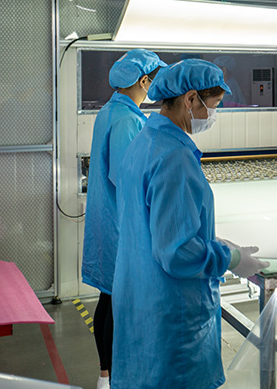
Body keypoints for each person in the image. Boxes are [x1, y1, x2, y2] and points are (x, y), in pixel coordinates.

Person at [110, 59, 267, 389]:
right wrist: (230, 259)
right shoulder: (174, 157)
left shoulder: (145, 141)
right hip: (172, 315)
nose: (214, 114)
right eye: (215, 105)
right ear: (191, 99)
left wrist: (216, 243)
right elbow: (177, 252)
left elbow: (153, 226)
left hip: (140, 296)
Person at [81, 49, 167, 389]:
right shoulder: (128, 120)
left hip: (106, 219)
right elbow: (126, 176)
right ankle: (115, 379)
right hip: (121, 225)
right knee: (120, 305)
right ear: (144, 81)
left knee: (108, 298)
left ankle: (105, 376)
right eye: (155, 80)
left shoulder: (110, 111)